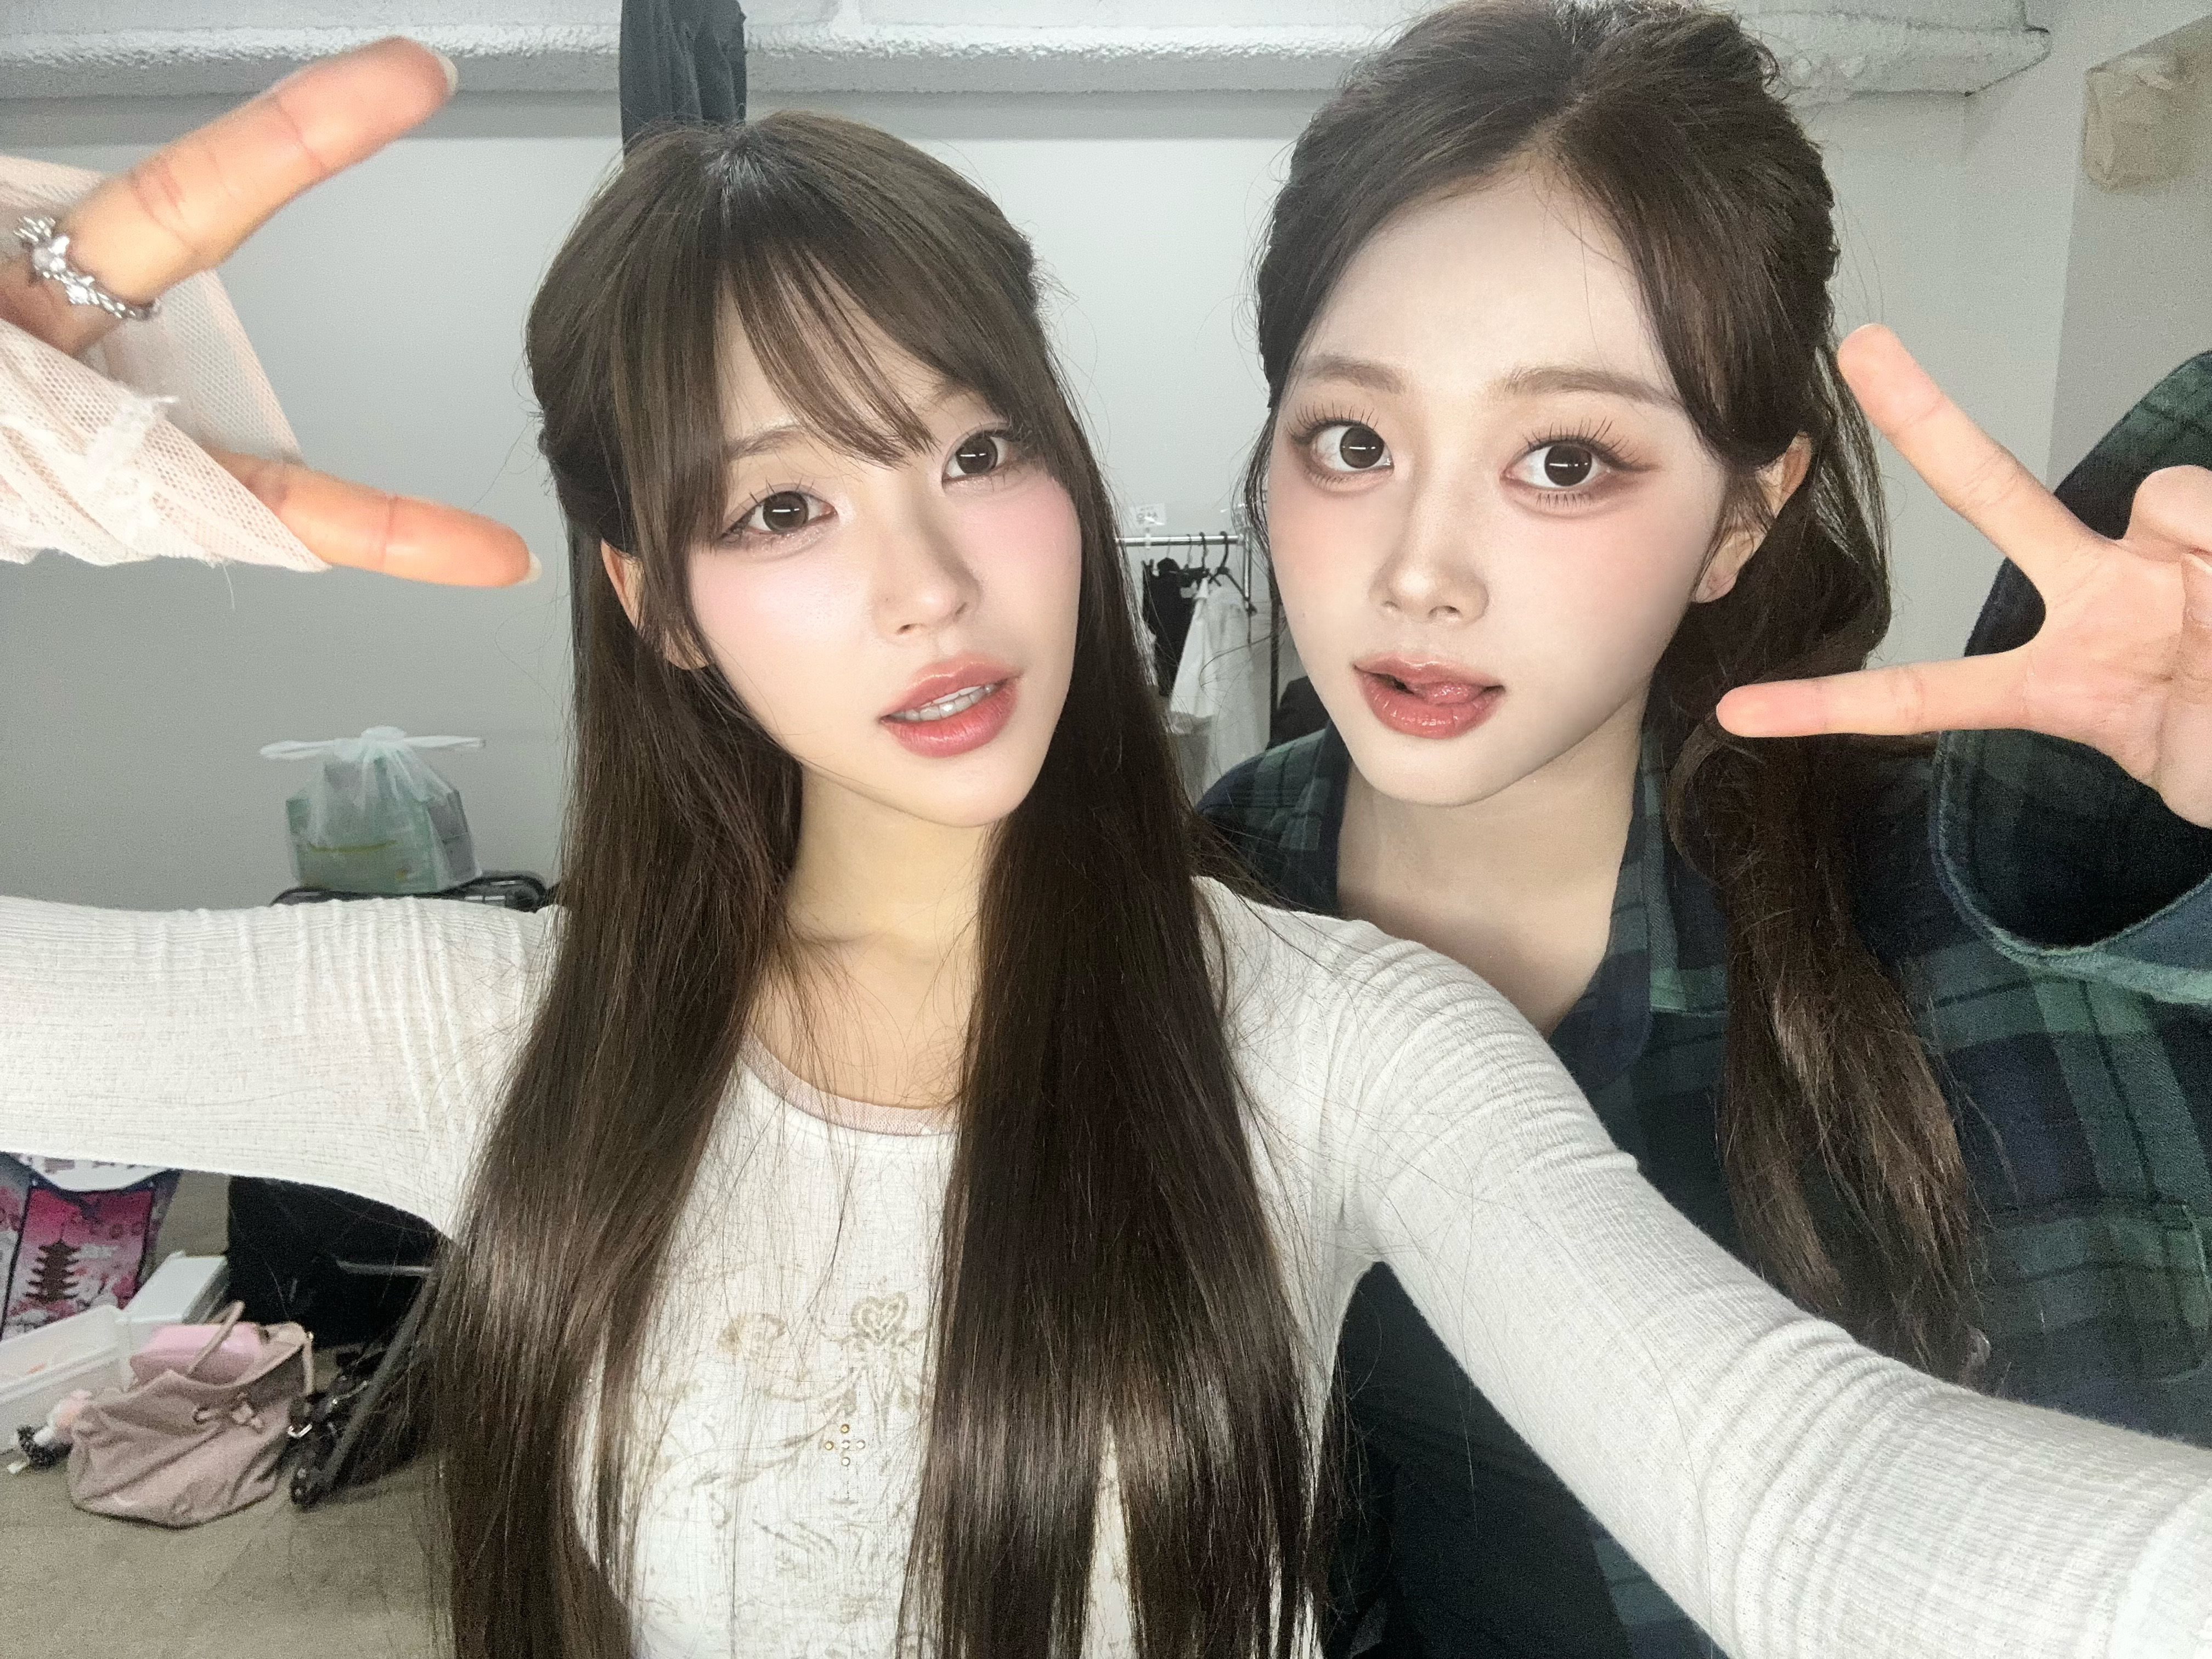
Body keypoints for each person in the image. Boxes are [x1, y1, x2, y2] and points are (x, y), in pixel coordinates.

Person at [3, 38, 2209, 1659]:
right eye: (784, 505)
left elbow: (1794, 1482)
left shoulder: (1341, 1030)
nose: (928, 587)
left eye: (976, 453)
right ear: (655, 601)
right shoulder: (487, 1026)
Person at [1194, 3, 2212, 1655]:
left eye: (1564, 459)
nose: (1419, 572)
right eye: (1354, 442)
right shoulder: (1203, 896)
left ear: (1742, 516)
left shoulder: (1941, 894)